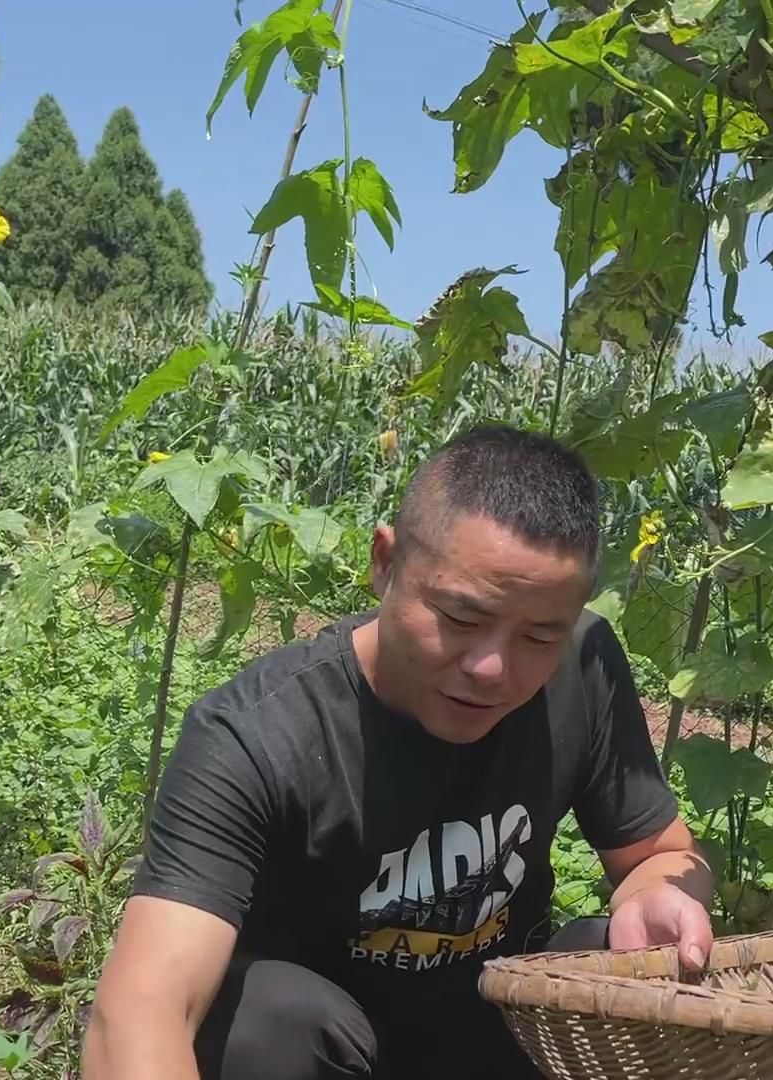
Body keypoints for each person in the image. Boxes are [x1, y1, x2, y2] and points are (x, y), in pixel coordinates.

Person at [82, 425, 715, 1079]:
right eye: (461, 618)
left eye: (539, 636)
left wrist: (652, 896)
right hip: (325, 1056)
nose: (493, 666)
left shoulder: (582, 667)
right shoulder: (256, 736)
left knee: (612, 961)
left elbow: (664, 855)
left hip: (498, 1044)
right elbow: (139, 1013)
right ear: (386, 564)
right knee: (269, 1018)